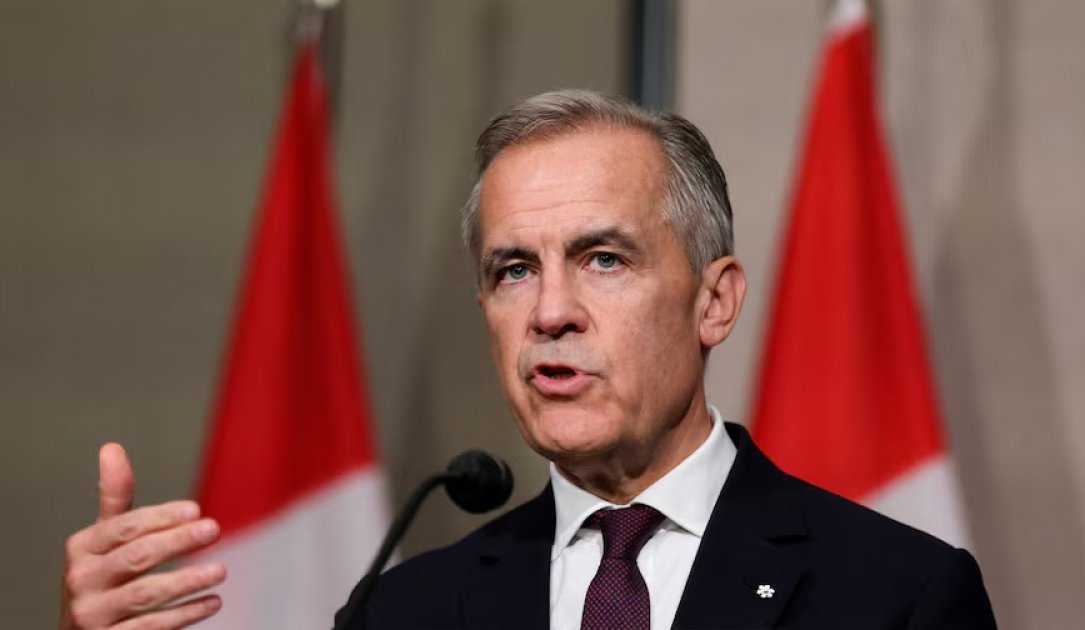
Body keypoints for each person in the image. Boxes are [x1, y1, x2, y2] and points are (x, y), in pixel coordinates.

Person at [59, 90, 997, 629]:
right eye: (513, 271)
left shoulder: (899, 596)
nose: (550, 312)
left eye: (604, 259)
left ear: (714, 302)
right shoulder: (403, 614)